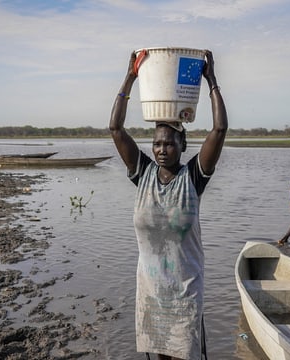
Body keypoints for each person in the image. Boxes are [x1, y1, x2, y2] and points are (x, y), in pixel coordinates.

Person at [109, 50, 227, 360]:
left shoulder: (193, 177)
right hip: (151, 290)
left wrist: (211, 79)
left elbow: (219, 130)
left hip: (185, 290)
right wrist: (131, 76)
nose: (162, 149)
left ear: (182, 146)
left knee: (184, 354)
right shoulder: (143, 173)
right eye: (157, 143)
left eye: (169, 143)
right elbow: (115, 129)